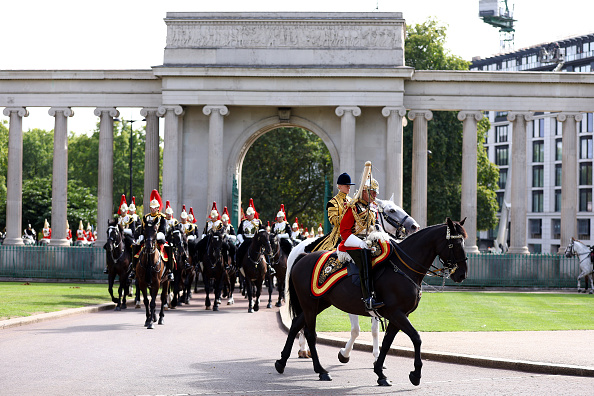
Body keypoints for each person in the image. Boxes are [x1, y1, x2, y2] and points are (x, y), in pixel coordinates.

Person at [338, 162, 384, 312]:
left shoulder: (372, 208)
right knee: (365, 259)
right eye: (373, 192)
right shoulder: (353, 207)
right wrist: (360, 243)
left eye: (376, 192)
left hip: (368, 242)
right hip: (352, 244)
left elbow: (375, 227)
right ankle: (368, 298)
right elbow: (344, 231)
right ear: (365, 191)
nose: (376, 195)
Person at [131, 189, 173, 281]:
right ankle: (133, 269)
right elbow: (142, 228)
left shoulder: (162, 217)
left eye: (155, 207)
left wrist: (157, 236)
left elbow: (163, 229)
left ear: (158, 208)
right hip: (147, 237)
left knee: (169, 247)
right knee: (136, 246)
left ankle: (170, 271)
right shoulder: (146, 217)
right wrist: (141, 237)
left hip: (159, 236)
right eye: (152, 207)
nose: (153, 209)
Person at [311, 172, 355, 251]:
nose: (349, 188)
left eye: (349, 186)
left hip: (353, 233)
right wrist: (346, 215)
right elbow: (333, 221)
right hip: (339, 235)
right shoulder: (333, 202)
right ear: (339, 186)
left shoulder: (351, 201)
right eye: (347, 186)